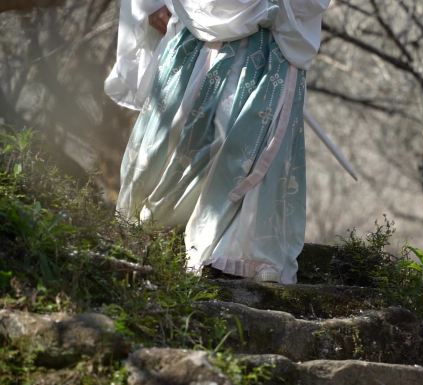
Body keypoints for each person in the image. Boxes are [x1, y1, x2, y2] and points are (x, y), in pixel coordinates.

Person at [105, 0, 330, 283]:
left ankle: (236, 251)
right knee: (184, 138)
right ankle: (161, 230)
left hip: (279, 39)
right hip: (207, 31)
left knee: (251, 141)